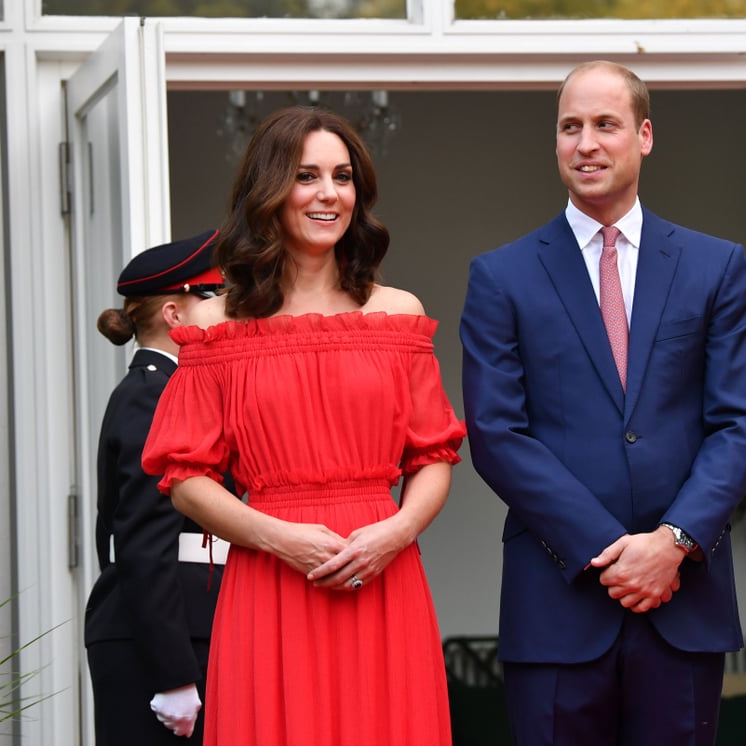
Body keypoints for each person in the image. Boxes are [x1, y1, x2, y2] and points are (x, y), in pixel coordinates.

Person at [459, 60, 746, 745]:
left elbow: (738, 424)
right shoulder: (501, 278)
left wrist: (673, 543)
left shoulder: (715, 268)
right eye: (570, 127)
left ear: (645, 135)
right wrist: (612, 550)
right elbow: (496, 433)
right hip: (557, 606)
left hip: (682, 602)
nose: (586, 143)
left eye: (606, 124)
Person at [141, 106, 466, 746]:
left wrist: (396, 532)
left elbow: (433, 455)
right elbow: (185, 477)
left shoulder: (398, 313)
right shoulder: (213, 325)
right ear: (269, 191)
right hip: (269, 578)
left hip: (384, 573)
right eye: (306, 175)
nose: (328, 194)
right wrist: (280, 539)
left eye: (342, 177)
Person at [84, 229, 231, 744]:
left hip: (178, 625)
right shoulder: (153, 396)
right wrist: (173, 673)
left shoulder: (165, 390)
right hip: (165, 640)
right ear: (175, 314)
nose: (227, 307)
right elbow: (147, 541)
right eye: (213, 295)